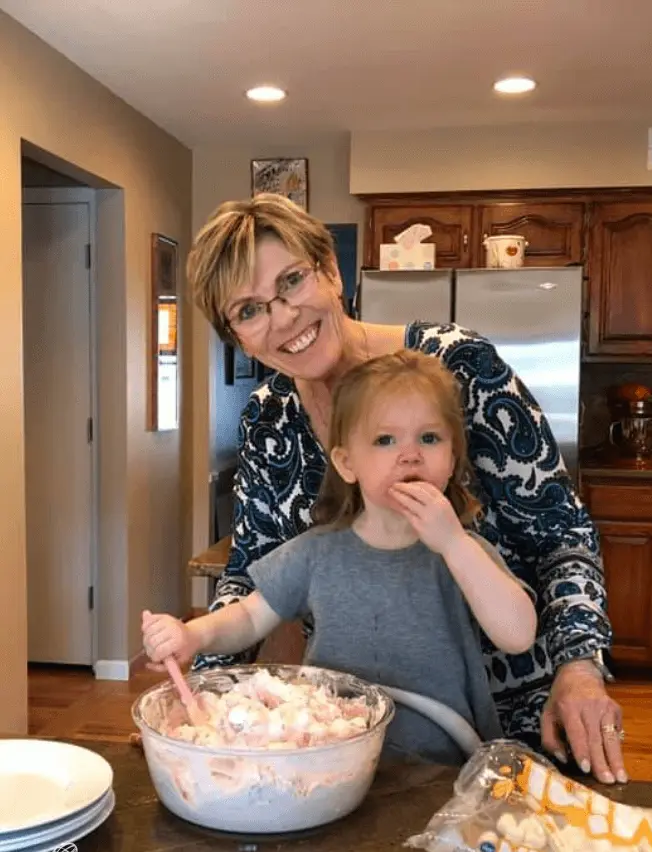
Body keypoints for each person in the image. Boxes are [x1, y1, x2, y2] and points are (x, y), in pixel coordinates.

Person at [185, 192, 626, 783]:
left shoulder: (459, 369)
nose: (284, 316)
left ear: (331, 271)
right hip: (353, 743)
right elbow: (251, 573)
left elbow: (561, 535)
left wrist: (578, 669)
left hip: (512, 731)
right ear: (237, 336)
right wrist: (197, 707)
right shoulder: (269, 421)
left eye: (292, 280)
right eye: (249, 310)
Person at [144, 350, 538, 764]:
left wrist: (454, 544)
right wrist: (194, 635)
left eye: (430, 438)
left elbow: (517, 635)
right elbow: (250, 616)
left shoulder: (463, 552)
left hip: (439, 766)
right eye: (385, 440)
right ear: (347, 463)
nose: (410, 454)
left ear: (452, 459)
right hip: (331, 761)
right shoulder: (317, 552)